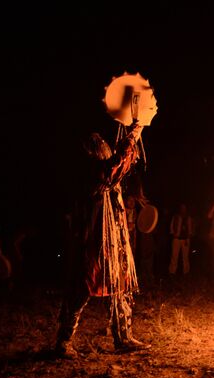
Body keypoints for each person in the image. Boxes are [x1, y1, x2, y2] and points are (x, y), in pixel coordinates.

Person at [54, 120, 151, 359]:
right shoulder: (92, 175)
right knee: (82, 286)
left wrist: (129, 137)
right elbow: (113, 169)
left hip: (111, 238)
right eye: (102, 148)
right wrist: (133, 136)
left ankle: (123, 337)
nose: (106, 149)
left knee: (119, 285)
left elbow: (122, 165)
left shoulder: (104, 174)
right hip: (93, 242)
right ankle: (63, 342)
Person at [168, 203, 193, 277]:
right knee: (174, 256)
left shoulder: (189, 217)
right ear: (180, 209)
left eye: (184, 208)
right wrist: (173, 234)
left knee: (185, 257)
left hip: (185, 239)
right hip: (176, 239)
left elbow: (191, 227)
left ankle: (186, 272)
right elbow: (171, 226)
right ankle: (172, 271)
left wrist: (189, 235)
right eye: (182, 207)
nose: (183, 209)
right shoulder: (175, 217)